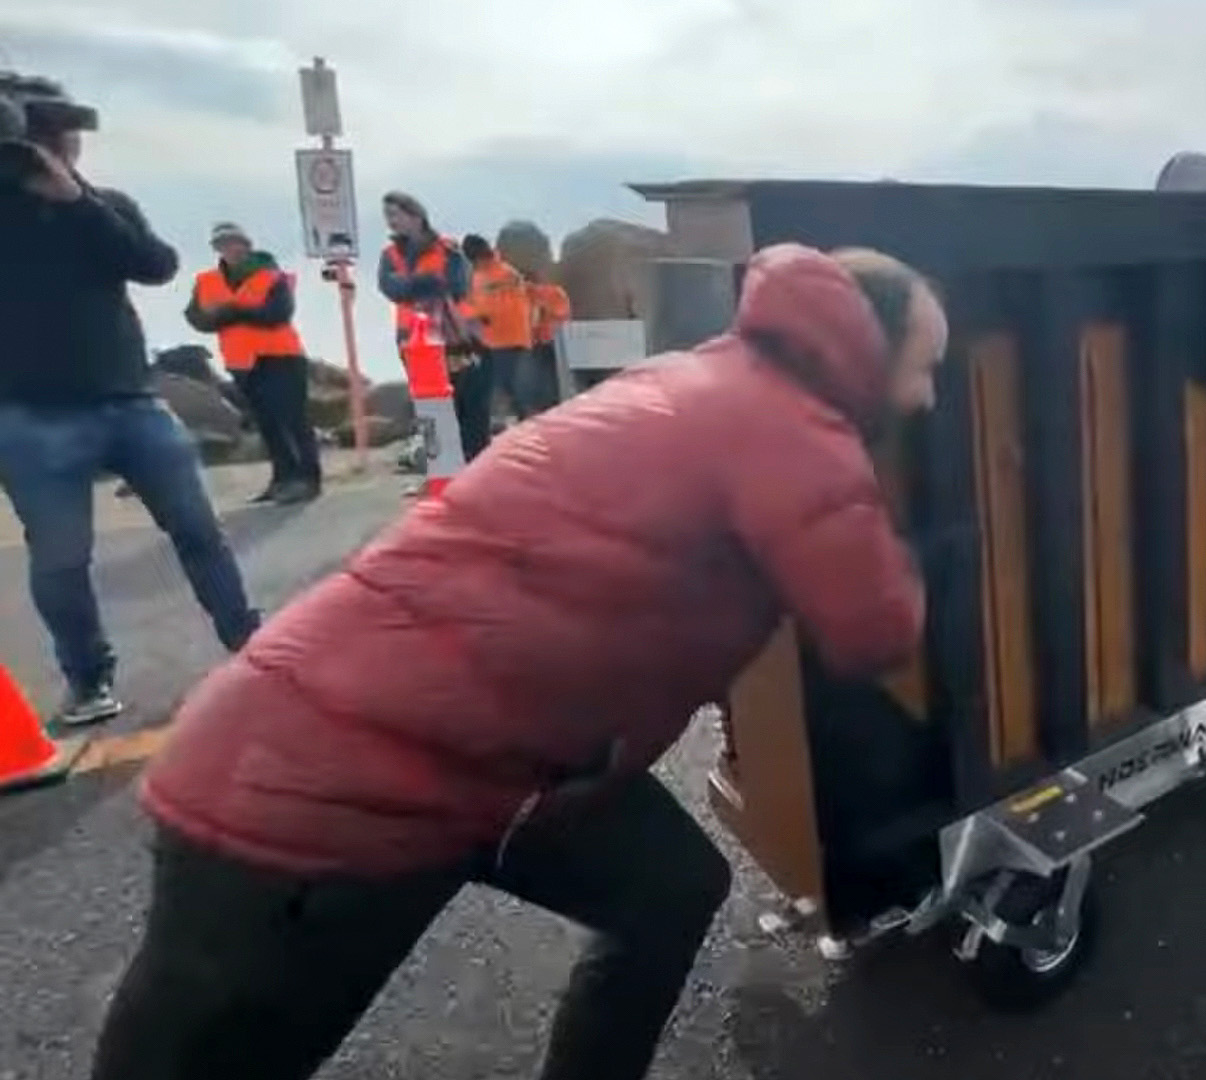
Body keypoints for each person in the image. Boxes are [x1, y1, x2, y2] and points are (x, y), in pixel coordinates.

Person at [87, 243, 946, 1080]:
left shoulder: (689, 379)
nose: (930, 395)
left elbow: (662, 575)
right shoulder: (793, 435)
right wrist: (931, 551)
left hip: (484, 757)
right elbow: (877, 629)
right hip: (318, 795)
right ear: (867, 352)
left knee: (666, 889)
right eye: (924, 367)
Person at [0, 73, 259, 727]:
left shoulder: (102, 204)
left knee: (198, 529)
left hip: (131, 401)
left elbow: (155, 264)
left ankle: (250, 643)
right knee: (60, 558)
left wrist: (74, 200)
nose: (61, 149)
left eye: (65, 139)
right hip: (30, 415)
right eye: (43, 138)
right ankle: (88, 679)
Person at [183, 223, 322, 505]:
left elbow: (277, 314)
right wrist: (233, 315)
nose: (229, 249)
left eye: (234, 242)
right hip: (241, 362)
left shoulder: (271, 276)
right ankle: (282, 478)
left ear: (246, 245)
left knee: (292, 419)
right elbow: (196, 317)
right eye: (222, 244)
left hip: (280, 356)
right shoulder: (206, 281)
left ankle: (307, 479)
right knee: (267, 423)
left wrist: (231, 311)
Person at [375, 192, 483, 461]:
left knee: (465, 403)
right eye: (387, 216)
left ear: (416, 215)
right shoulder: (389, 255)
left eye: (395, 214)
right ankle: (440, 468)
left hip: (452, 337)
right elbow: (391, 289)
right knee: (428, 406)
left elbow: (457, 285)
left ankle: (472, 463)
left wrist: (412, 284)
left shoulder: (447, 248)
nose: (391, 222)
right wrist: (427, 282)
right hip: (411, 338)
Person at [460, 233, 538, 422]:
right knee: (512, 385)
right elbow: (525, 302)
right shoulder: (508, 271)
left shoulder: (483, 277)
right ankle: (524, 420)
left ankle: (523, 422)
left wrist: (462, 313)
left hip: (499, 339)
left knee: (502, 386)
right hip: (518, 336)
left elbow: (483, 309)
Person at [526, 268, 572, 412]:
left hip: (548, 344)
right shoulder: (555, 293)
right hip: (534, 345)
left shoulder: (553, 293)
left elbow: (562, 315)